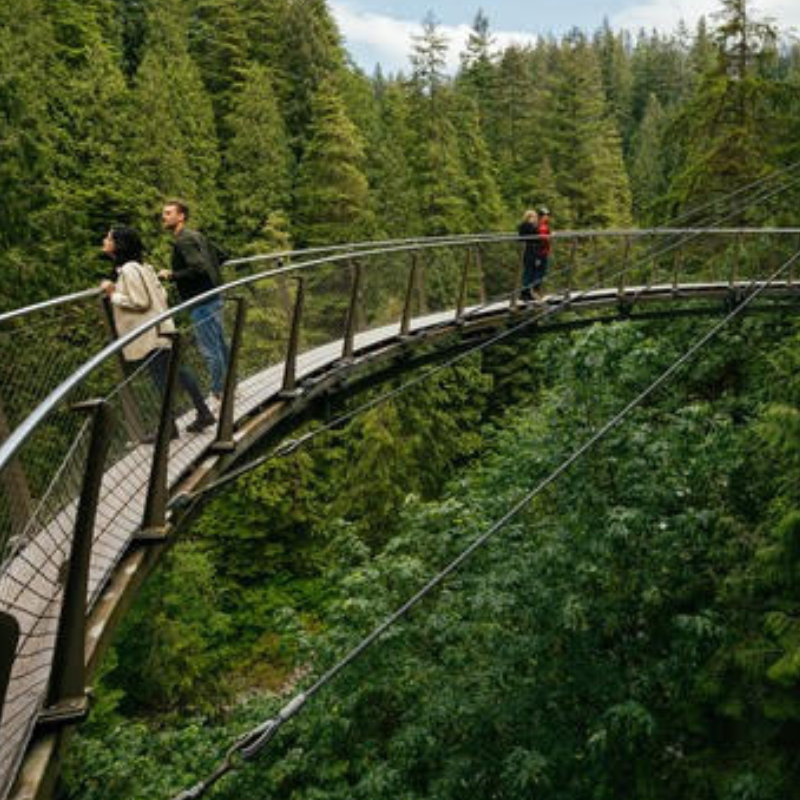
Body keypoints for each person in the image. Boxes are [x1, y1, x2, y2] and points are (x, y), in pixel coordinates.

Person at [101, 227, 216, 437]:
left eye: (108, 238)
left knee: (162, 380)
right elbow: (161, 294)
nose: (104, 240)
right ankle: (200, 413)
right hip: (161, 327)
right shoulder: (144, 266)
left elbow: (141, 302)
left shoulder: (128, 270)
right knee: (177, 372)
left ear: (119, 244)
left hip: (150, 334)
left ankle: (171, 427)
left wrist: (113, 295)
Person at [158, 200, 229, 402]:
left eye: (168, 213)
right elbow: (222, 256)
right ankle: (228, 386)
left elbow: (197, 268)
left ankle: (218, 392)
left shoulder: (183, 241)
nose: (164, 216)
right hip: (214, 296)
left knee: (210, 349)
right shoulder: (196, 235)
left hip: (201, 301)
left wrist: (171, 275)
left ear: (181, 216)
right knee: (220, 344)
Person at [518, 209, 538, 301]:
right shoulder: (529, 226)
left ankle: (527, 292)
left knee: (528, 271)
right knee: (530, 272)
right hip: (530, 251)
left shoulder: (522, 226)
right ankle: (525, 293)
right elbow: (536, 238)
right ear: (529, 217)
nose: (535, 219)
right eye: (533, 217)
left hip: (526, 250)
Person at [533, 206, 552, 297]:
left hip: (543, 252)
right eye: (546, 215)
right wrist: (549, 237)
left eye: (548, 215)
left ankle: (538, 291)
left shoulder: (543, 225)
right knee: (539, 272)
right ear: (541, 216)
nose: (547, 217)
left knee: (542, 272)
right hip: (540, 252)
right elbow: (541, 239)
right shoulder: (539, 226)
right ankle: (536, 291)